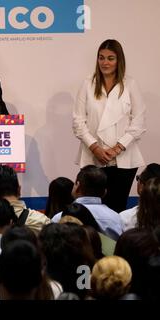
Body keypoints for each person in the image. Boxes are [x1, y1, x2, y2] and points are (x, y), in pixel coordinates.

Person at [73, 39, 146, 213]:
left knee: (117, 209)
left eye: (110, 58)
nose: (105, 62)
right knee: (92, 210)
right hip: (93, 156)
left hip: (124, 158)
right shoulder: (87, 84)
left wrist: (118, 148)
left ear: (119, 60)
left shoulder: (130, 84)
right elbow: (78, 121)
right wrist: (95, 147)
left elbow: (139, 121)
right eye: (101, 58)